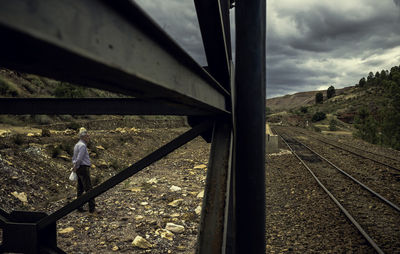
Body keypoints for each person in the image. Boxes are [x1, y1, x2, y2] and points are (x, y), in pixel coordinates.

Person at [72, 127, 96, 213]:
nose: (88, 137)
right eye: (87, 136)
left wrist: (75, 167)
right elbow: (79, 159)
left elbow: (74, 158)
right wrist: (76, 166)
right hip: (83, 168)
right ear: (83, 137)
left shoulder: (77, 145)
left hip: (78, 168)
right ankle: (92, 208)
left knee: (80, 188)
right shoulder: (82, 146)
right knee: (88, 188)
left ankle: (79, 207)